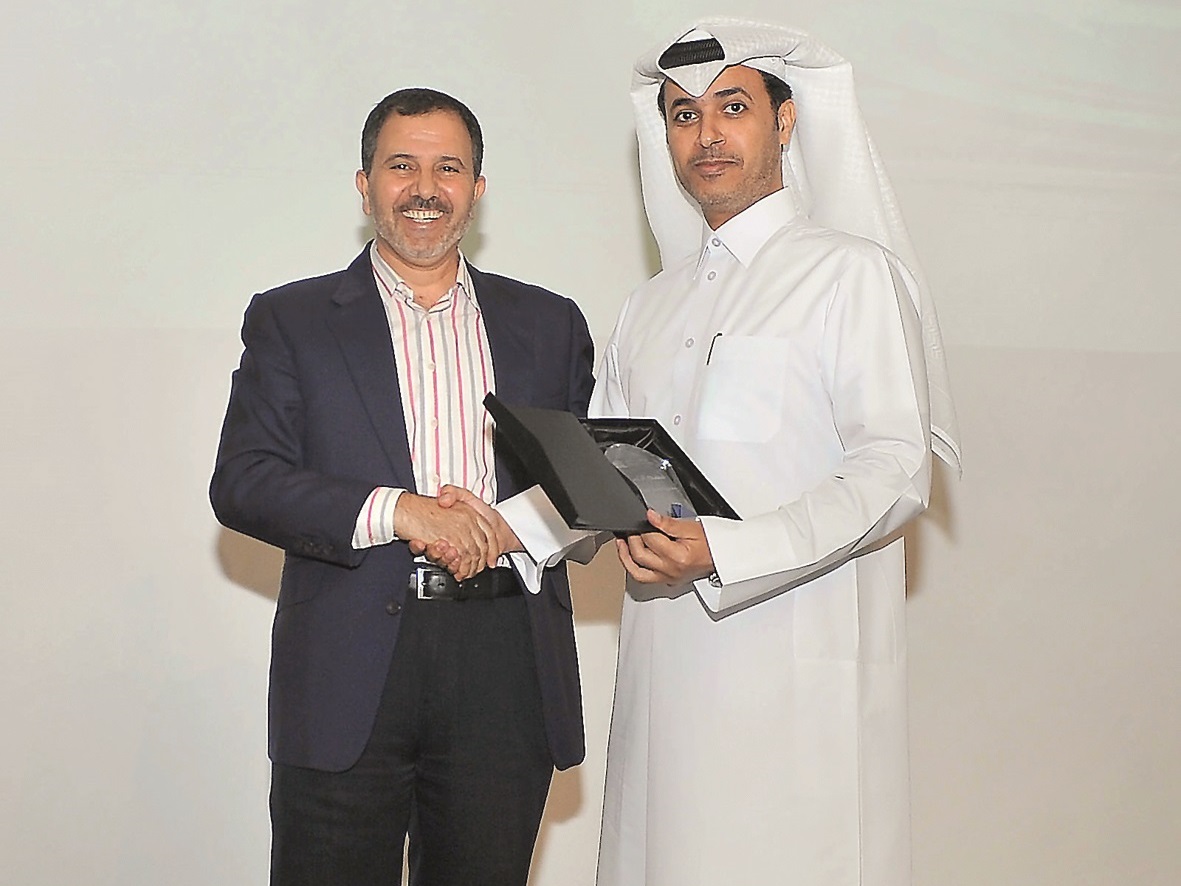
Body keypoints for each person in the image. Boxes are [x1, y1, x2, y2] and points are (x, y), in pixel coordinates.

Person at [590, 19, 963, 886]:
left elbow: (893, 469)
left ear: (785, 123)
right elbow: (598, 469)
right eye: (683, 116)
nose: (706, 135)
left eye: (731, 108)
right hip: (662, 682)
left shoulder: (851, 274)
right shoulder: (646, 307)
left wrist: (727, 548)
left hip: (795, 689)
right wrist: (498, 529)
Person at [209, 87, 595, 886]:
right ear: (364, 184)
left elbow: (589, 491)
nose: (425, 188)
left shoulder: (550, 324)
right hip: (350, 665)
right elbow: (244, 482)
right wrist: (401, 511)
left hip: (506, 667)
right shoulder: (293, 320)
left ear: (477, 190)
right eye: (401, 166)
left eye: (447, 168)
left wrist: (509, 526)